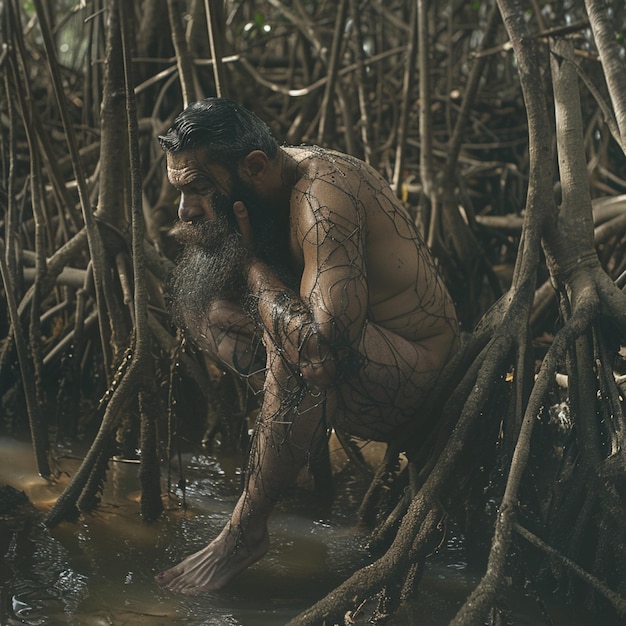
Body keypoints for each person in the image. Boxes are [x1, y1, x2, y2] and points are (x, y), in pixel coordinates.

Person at [155, 98, 459, 594]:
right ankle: (296, 454)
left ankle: (244, 532)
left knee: (294, 352)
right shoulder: (267, 183)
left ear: (254, 166)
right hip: (352, 365)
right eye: (180, 191)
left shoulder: (322, 196)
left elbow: (322, 349)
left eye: (199, 188)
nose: (186, 209)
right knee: (204, 309)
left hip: (418, 379)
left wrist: (252, 266)